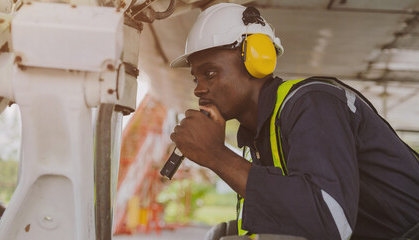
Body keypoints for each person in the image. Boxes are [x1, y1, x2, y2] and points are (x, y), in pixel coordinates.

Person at [168, 3, 419, 240]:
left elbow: (330, 221)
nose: (198, 90)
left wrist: (216, 155)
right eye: (195, 79)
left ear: (256, 61)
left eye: (209, 74)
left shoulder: (315, 103)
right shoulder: (260, 134)